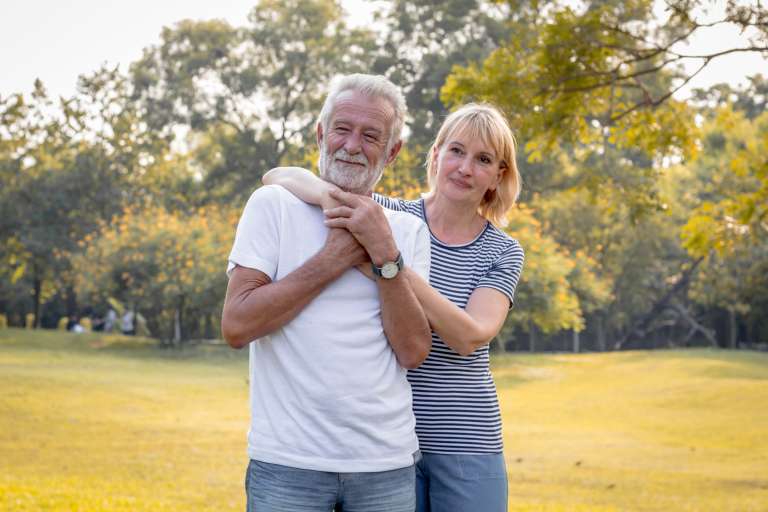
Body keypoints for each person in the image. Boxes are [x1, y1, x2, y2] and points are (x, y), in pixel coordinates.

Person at [265, 102, 525, 512]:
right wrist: (328, 196)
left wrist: (387, 262)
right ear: (436, 155)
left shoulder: (502, 250)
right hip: (391, 443)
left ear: (498, 176)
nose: (465, 167)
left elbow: (469, 336)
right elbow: (279, 175)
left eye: (483, 159)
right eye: (456, 151)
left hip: (467, 440)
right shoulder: (393, 217)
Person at [221, 74, 432, 511]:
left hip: (385, 464)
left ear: (392, 151)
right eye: (341, 128)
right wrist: (335, 257)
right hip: (287, 463)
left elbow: (413, 351)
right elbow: (237, 326)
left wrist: (385, 256)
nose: (352, 145)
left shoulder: (408, 232)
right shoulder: (273, 205)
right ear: (321, 134)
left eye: (371, 135)